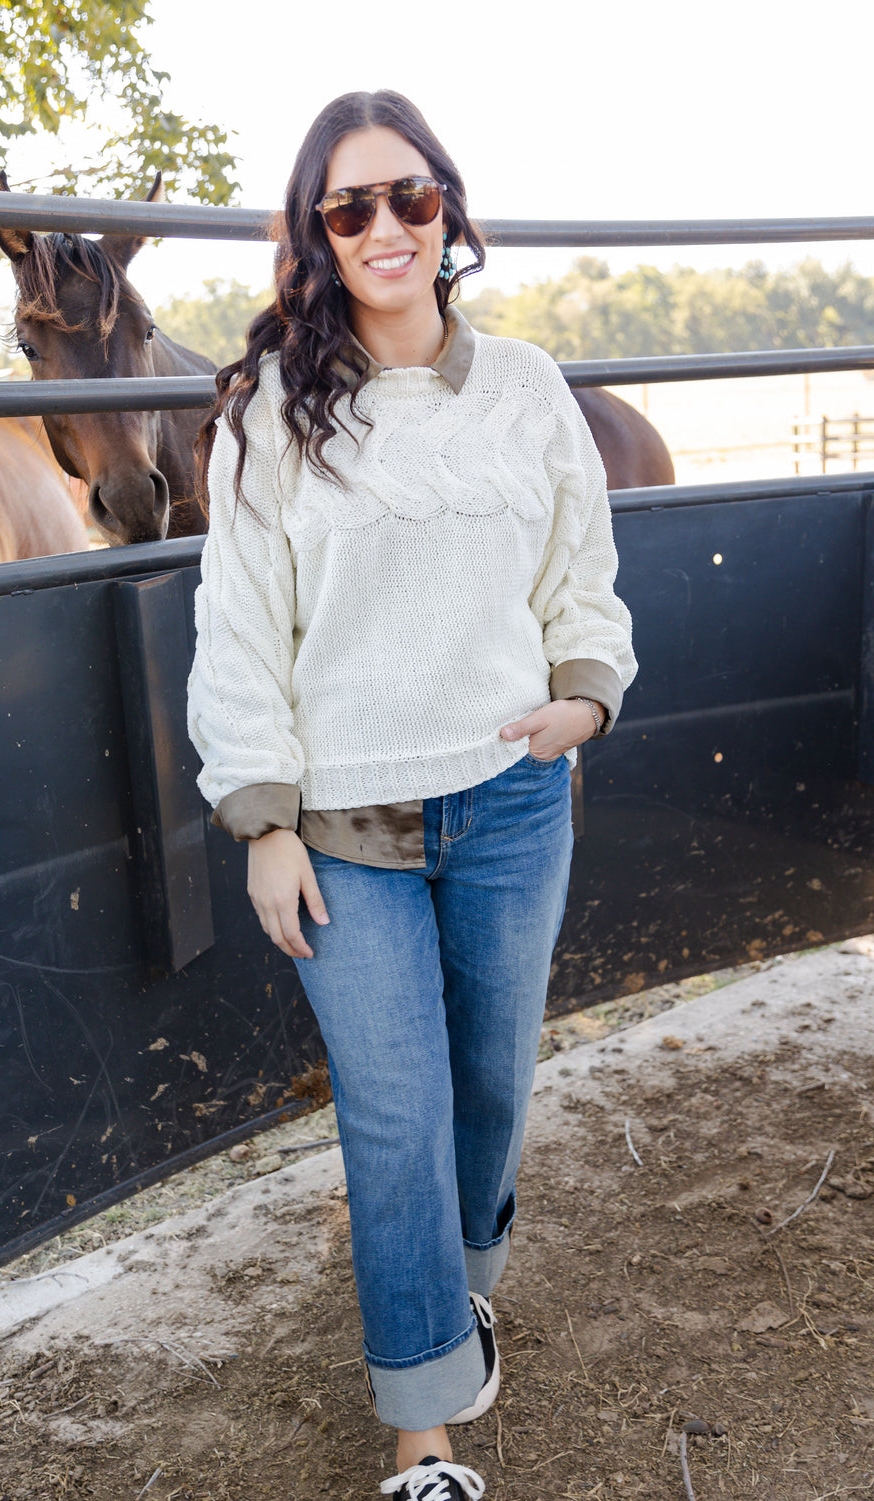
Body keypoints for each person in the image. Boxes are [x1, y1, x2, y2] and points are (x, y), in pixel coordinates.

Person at [188, 89, 637, 1501]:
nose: (385, 226)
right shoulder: (270, 414)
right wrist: (262, 821)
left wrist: (584, 693)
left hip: (510, 804)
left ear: (448, 210)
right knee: (392, 1114)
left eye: (409, 197)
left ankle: (460, 1292)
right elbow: (240, 627)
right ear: (318, 237)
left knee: (491, 1090)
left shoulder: (525, 389)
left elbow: (585, 573)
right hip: (345, 834)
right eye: (349, 206)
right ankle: (424, 1437)